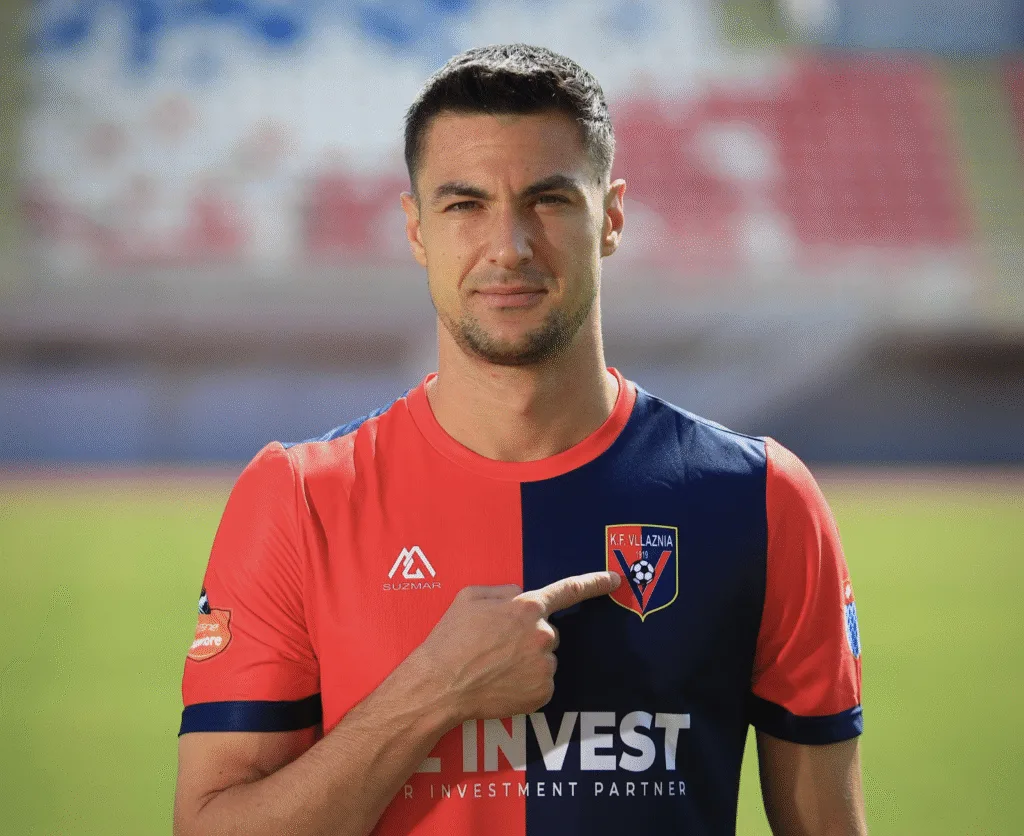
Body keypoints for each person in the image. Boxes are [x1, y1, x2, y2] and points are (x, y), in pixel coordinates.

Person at [174, 44, 866, 836]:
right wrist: (433, 691)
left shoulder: (762, 499)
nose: (509, 245)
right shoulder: (300, 499)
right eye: (464, 205)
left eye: (548, 200)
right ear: (416, 229)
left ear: (610, 218)